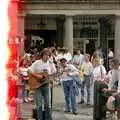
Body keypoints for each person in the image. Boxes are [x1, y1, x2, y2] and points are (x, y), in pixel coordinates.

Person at [28, 48, 56, 120]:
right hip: (38, 86)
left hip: (46, 85)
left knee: (48, 104)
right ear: (42, 55)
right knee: (39, 105)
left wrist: (52, 73)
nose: (47, 56)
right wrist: (37, 76)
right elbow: (29, 70)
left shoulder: (50, 63)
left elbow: (54, 72)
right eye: (45, 55)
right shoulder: (37, 62)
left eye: (48, 55)